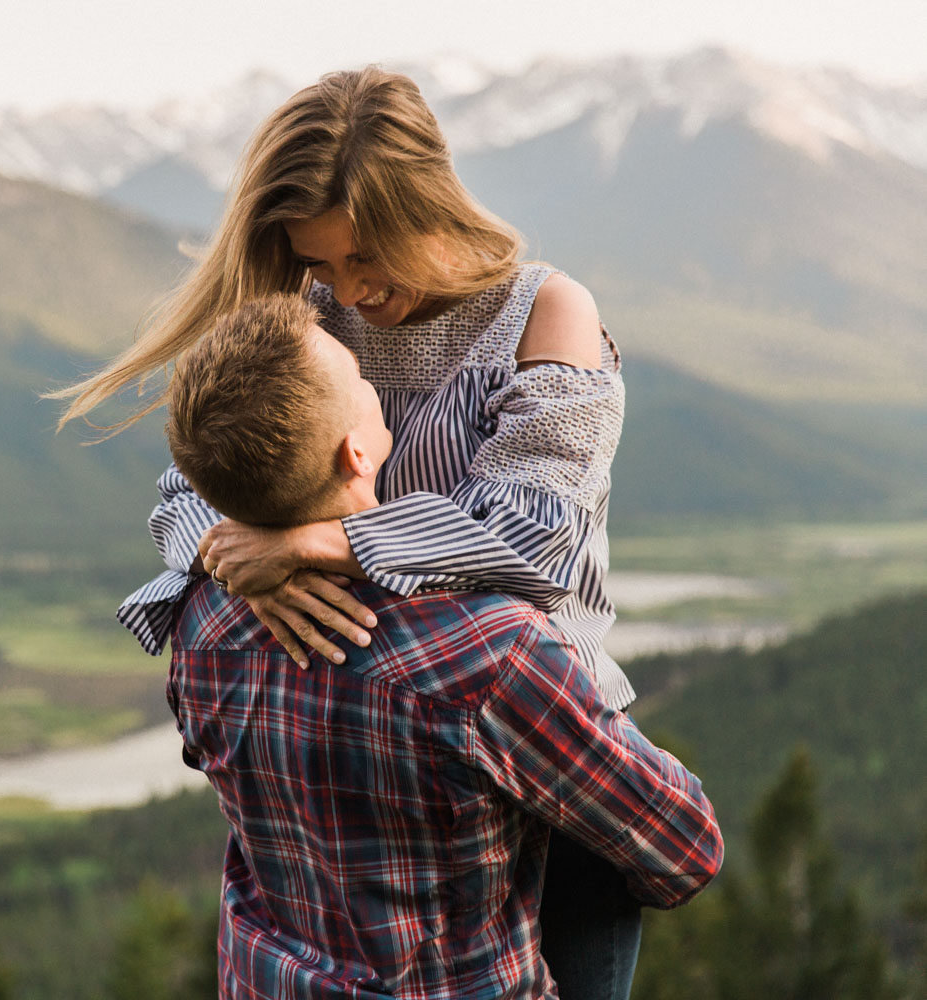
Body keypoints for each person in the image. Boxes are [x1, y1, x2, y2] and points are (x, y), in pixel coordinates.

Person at [54, 66, 642, 997]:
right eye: (321, 263)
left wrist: (316, 545)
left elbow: (540, 539)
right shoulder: (318, 323)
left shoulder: (546, 312)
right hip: (378, 771)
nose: (351, 289)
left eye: (367, 254)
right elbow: (187, 493)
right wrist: (233, 551)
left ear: (429, 202)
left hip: (544, 766)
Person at [161, 295, 721, 998]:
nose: (374, 379)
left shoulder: (202, 625)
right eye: (359, 375)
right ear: (356, 451)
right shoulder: (489, 651)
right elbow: (685, 845)